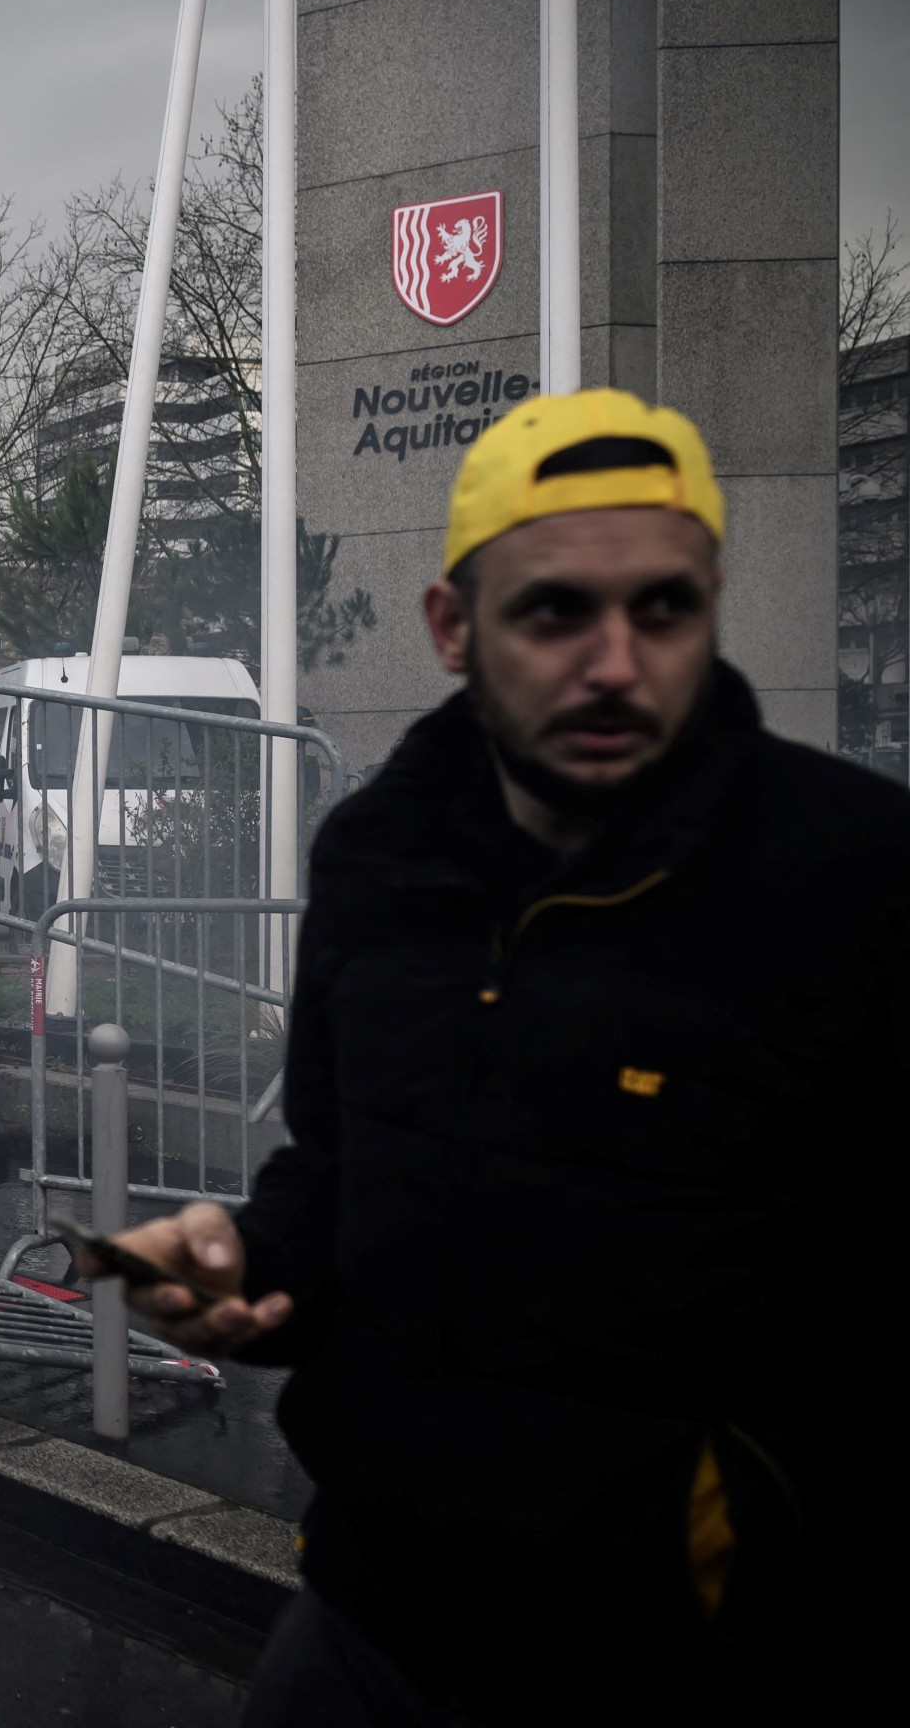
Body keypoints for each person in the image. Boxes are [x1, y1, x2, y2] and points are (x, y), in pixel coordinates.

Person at [82, 390, 905, 1722]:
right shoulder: (377, 859)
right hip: (370, 1623)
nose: (617, 663)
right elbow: (337, 1172)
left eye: (664, 609)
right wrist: (249, 1258)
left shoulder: (856, 878)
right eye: (554, 612)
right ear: (452, 627)